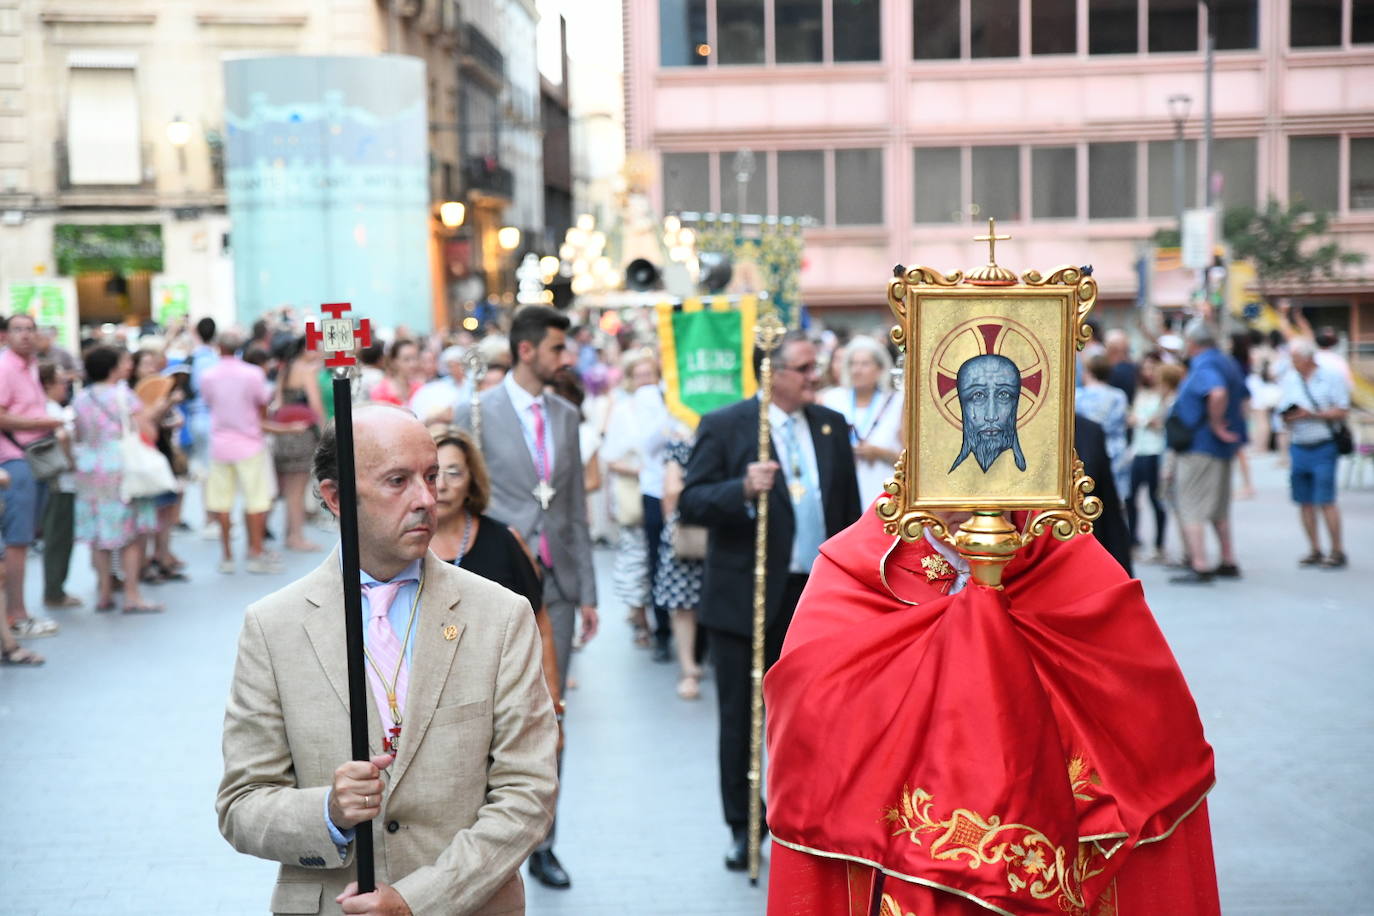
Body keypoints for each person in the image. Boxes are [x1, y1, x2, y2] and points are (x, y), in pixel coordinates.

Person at [762, 507, 1220, 915]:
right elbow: (811, 711)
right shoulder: (856, 567)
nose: (972, 502)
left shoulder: (1069, 557)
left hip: (1060, 838)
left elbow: (1147, 718)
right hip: (903, 857)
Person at [216, 405, 558, 915]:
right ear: (335, 497)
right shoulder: (274, 626)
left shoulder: (500, 616)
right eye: (398, 481)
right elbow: (242, 805)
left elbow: (527, 793)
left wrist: (417, 900)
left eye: (431, 476)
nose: (427, 498)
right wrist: (328, 811)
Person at [679, 329, 861, 872]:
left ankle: (809, 815)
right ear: (772, 373)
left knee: (816, 714)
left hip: (818, 595)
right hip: (748, 595)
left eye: (815, 368)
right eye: (804, 368)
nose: (815, 377)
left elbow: (848, 512)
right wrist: (740, 489)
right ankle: (744, 824)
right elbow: (690, 501)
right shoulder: (728, 425)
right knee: (741, 717)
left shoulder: (829, 427)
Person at [453, 305, 597, 891]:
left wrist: (586, 590)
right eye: (559, 349)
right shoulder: (475, 413)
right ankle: (482, 840)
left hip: (556, 584)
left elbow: (573, 507)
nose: (568, 359)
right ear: (528, 350)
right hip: (493, 571)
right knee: (481, 712)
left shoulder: (565, 414)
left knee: (549, 711)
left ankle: (544, 843)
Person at [429, 428, 563, 723]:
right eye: (432, 474)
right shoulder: (404, 549)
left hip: (503, 701)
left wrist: (553, 706)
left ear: (472, 480)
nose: (442, 486)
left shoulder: (505, 540)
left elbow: (539, 625)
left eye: (454, 473)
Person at [70, 346, 162, 613]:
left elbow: (78, 434)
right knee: (130, 533)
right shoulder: (124, 396)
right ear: (112, 367)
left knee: (100, 534)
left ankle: (104, 591)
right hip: (121, 467)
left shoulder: (82, 398)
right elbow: (147, 431)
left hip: (89, 467)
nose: (128, 366)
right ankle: (132, 594)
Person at [200, 330, 300, 575]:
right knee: (256, 499)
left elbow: (209, 402)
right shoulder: (253, 374)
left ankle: (227, 556)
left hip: (221, 444)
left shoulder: (208, 375)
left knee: (221, 502)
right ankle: (255, 553)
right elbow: (262, 405)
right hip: (249, 443)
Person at [0, 313, 66, 638]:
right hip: (16, 461)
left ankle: (18, 613)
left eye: (30, 329)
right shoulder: (5, 368)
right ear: (6, 335)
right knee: (17, 541)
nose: (25, 335)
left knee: (24, 539)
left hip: (32, 460)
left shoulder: (30, 368)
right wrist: (43, 423)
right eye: (18, 330)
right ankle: (16, 615)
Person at [1167, 321, 1248, 585]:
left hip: (1200, 445)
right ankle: (1228, 560)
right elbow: (1244, 397)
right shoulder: (1226, 362)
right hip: (1219, 446)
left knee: (1190, 504)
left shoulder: (1206, 364)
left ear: (1192, 342)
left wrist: (1216, 424)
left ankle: (1199, 564)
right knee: (1219, 507)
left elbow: (1217, 392)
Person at [1278, 338, 1350, 569]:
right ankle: (1314, 549)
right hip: (1299, 443)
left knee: (1326, 499)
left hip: (1324, 444)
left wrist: (1313, 415)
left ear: (1309, 358)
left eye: (1296, 359)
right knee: (1304, 501)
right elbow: (1281, 409)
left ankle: (1336, 550)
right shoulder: (1290, 379)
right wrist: (1289, 416)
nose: (1293, 363)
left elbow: (1342, 409)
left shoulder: (1331, 376)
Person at [654, 429, 706, 700]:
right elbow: (671, 490)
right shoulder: (680, 442)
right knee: (684, 603)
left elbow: (671, 491)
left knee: (686, 604)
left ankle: (691, 666)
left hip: (693, 526)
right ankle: (689, 666)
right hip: (690, 529)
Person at [820, 335, 902, 504]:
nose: (857, 370)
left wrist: (879, 453)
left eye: (864, 364)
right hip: (841, 493)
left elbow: (910, 459)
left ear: (880, 369)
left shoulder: (897, 401)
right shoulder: (831, 399)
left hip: (882, 494)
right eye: (852, 364)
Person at [271, 336, 326, 553]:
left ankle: (290, 533)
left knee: (290, 488)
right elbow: (315, 404)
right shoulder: (306, 370)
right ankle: (296, 536)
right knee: (297, 488)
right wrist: (324, 432)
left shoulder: (285, 370)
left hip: (284, 433)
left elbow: (278, 403)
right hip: (302, 433)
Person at [39, 362, 80, 610]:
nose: (66, 386)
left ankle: (56, 588)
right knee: (58, 536)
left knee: (59, 535)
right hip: (59, 481)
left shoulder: (52, 408)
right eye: (61, 381)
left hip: (59, 481)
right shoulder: (50, 410)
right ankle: (54, 590)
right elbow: (61, 438)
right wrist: (70, 460)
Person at [1127, 352, 1169, 563]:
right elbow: (1133, 419)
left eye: (1152, 368)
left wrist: (1140, 420)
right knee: (1130, 497)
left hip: (1155, 451)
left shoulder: (1163, 395)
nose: (1148, 372)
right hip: (1138, 450)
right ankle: (1133, 540)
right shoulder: (1140, 392)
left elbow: (1158, 422)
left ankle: (1159, 545)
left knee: (1156, 498)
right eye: (1145, 368)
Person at [1076, 354, 1130, 499]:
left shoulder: (1078, 396)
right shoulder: (1119, 396)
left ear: (1088, 372)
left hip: (1087, 453)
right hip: (1115, 451)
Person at [409, 346, 469, 426]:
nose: (455, 369)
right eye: (450, 366)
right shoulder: (440, 385)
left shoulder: (471, 382)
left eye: (457, 365)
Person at [369, 339, 424, 407]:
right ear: (393, 361)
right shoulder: (381, 392)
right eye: (406, 359)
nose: (413, 364)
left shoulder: (419, 389)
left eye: (415, 358)